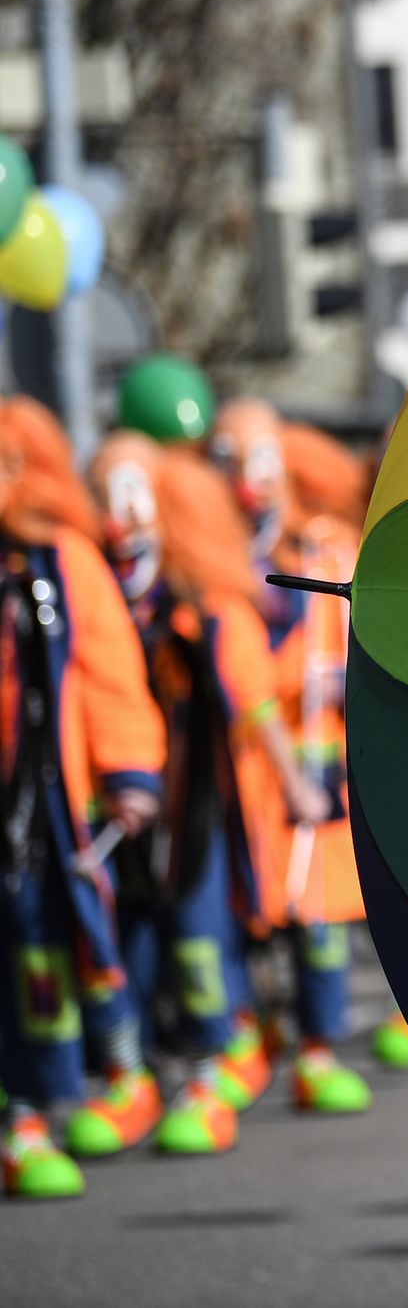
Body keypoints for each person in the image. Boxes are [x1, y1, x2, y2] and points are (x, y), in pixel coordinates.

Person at [86, 435, 329, 1155]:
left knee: (199, 935)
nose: (119, 519)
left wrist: (293, 786)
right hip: (127, 805)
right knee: (125, 940)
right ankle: (131, 1075)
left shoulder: (211, 607)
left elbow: (251, 702)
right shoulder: (95, 596)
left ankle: (218, 1058)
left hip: (205, 807)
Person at [0, 400, 167, 1199]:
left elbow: (108, 674)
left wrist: (131, 773)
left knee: (91, 943)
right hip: (10, 806)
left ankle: (124, 1076)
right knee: (25, 957)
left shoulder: (67, 561)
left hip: (61, 802)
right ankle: (30, 1105)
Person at [209, 401, 396, 1103]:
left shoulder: (325, 547)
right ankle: (248, 1037)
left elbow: (360, 636)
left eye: (258, 459)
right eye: (229, 460)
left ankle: (317, 1048)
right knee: (240, 912)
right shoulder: (214, 560)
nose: (247, 479)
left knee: (317, 909)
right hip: (239, 769)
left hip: (317, 759)